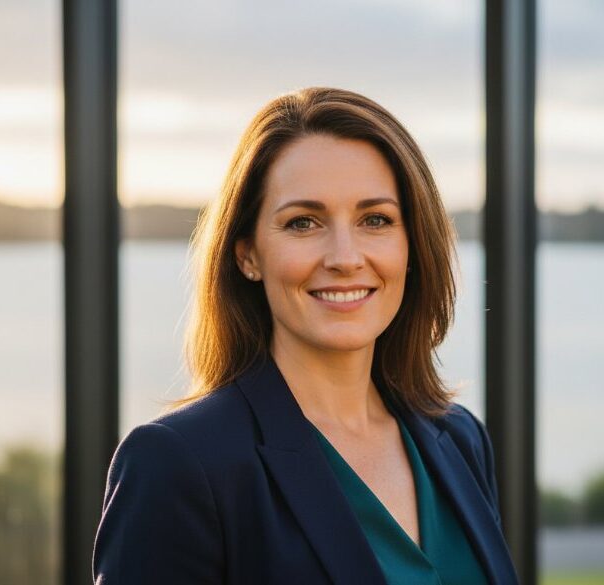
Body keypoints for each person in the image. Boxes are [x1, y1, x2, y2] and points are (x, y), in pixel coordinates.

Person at [92, 87, 519, 584]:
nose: (344, 257)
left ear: (412, 245)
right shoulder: (178, 464)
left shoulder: (460, 439)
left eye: (375, 220)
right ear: (248, 254)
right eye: (303, 222)